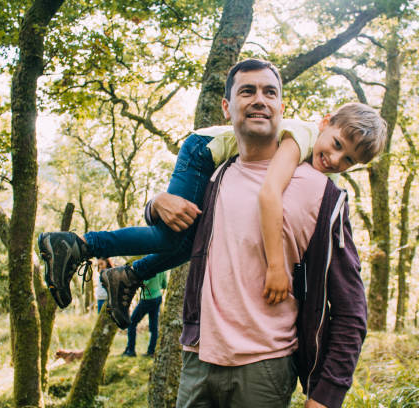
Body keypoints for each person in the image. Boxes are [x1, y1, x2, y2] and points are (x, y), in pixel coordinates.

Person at [38, 67, 385, 329]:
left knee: (190, 241)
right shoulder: (304, 138)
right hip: (202, 150)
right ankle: (80, 245)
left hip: (211, 155)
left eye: (349, 160)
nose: (337, 160)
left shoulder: (319, 165)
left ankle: (128, 276)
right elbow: (269, 193)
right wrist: (278, 267)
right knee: (171, 235)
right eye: (338, 144)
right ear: (326, 123)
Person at [148, 59, 368, 408]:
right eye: (247, 91)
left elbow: (351, 308)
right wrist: (156, 203)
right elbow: (174, 234)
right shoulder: (213, 175)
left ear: (282, 108)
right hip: (197, 360)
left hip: (266, 369)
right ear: (227, 106)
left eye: (269, 92)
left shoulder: (324, 195)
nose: (258, 100)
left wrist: (327, 395)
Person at [122, 271, 167, 357]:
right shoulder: (162, 267)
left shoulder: (149, 266)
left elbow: (143, 282)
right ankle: (151, 351)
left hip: (147, 299)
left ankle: (131, 351)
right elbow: (165, 284)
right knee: (154, 327)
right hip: (157, 297)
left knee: (131, 323)